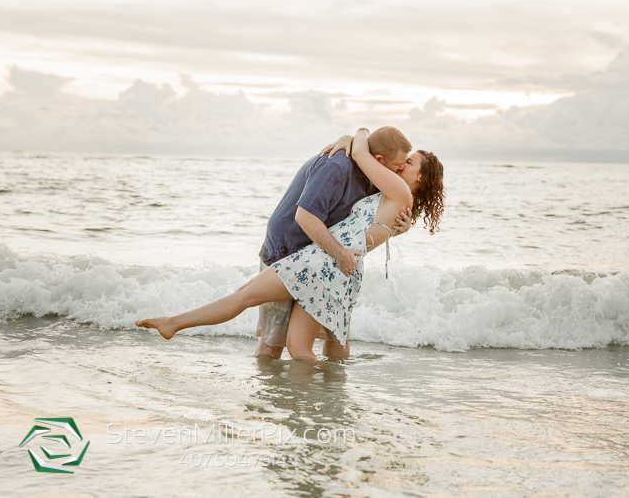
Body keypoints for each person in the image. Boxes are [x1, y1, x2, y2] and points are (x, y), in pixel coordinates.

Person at [135, 129, 445, 362]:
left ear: (420, 179)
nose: (403, 164)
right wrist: (353, 136)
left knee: (249, 300)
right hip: (330, 263)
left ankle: (174, 323)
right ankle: (322, 400)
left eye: (410, 162)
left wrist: (357, 135)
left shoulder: (400, 191)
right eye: (403, 160)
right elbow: (370, 221)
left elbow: (364, 155)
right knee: (300, 347)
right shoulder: (388, 190)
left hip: (324, 262)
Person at [255, 126, 414, 361]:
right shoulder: (336, 166)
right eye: (399, 165)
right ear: (379, 159)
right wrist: (339, 253)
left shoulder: (376, 175)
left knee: (336, 337)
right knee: (273, 343)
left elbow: (364, 228)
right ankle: (272, 393)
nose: (401, 170)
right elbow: (304, 216)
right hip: (287, 248)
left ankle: (331, 395)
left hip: (323, 256)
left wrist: (398, 228)